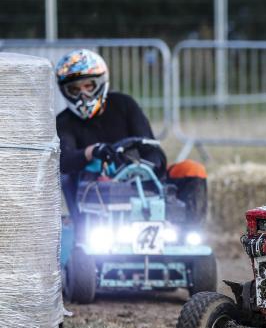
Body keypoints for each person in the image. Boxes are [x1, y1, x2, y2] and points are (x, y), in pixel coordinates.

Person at [55, 48, 207, 224]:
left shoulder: (124, 105)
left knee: (192, 169)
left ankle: (187, 236)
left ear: (100, 83)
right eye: (75, 89)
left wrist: (137, 165)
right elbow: (64, 161)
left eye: (88, 86)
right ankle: (85, 236)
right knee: (82, 173)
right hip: (94, 189)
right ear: (66, 91)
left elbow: (153, 150)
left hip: (137, 177)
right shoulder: (64, 121)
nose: (83, 95)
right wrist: (93, 152)